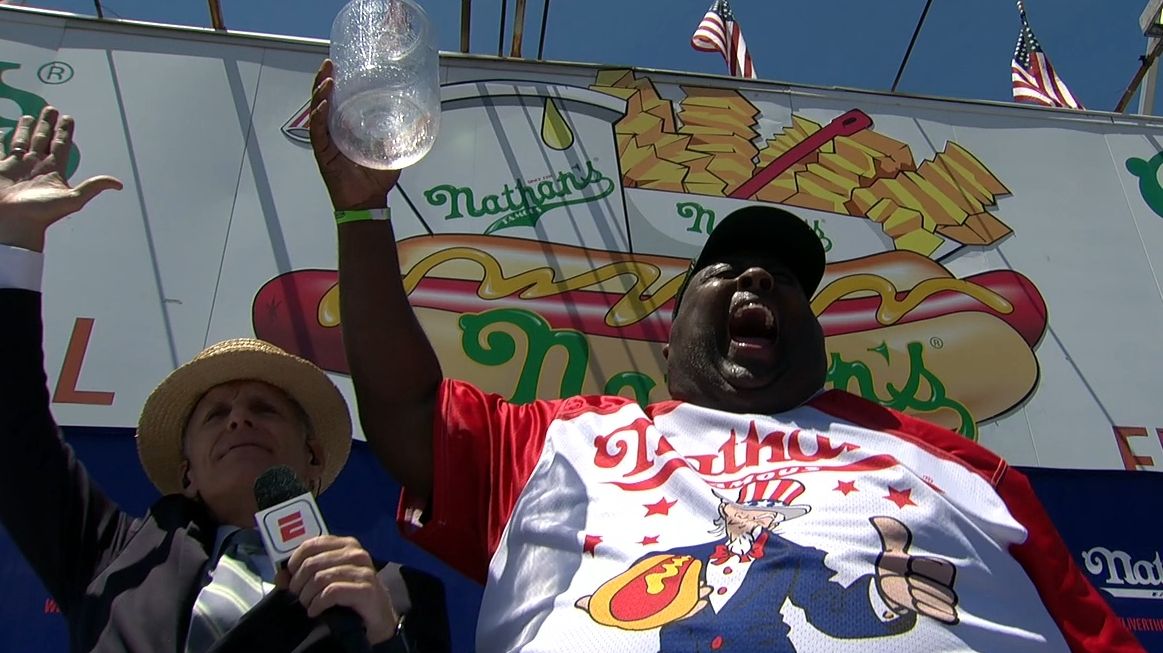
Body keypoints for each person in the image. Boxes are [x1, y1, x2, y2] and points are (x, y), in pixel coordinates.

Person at [308, 60, 1142, 652]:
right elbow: (410, 418)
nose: (757, 279)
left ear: (816, 336)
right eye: (726, 271)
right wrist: (360, 216)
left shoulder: (955, 463)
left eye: (784, 279)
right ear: (669, 334)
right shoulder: (557, 440)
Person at [0, 106, 450, 652]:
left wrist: (383, 635)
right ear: (186, 473)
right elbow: (12, 429)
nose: (239, 417)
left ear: (312, 458)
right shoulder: (110, 555)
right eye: (215, 414)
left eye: (265, 408)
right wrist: (15, 241)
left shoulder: (396, 593)